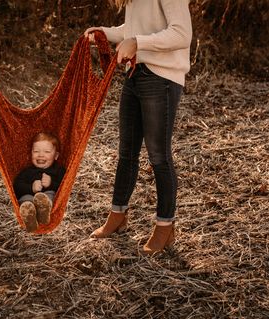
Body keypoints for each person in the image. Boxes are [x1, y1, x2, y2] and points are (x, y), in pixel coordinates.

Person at [84, 0, 192, 254]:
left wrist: (138, 43)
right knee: (127, 152)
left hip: (162, 78)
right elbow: (134, 28)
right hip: (135, 75)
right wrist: (104, 32)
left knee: (158, 156)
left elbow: (181, 33)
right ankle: (118, 215)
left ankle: (165, 227)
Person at [13, 132, 66, 232]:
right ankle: (30, 219)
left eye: (47, 152)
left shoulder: (58, 171)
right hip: (28, 196)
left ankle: (44, 212)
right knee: (26, 200)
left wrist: (51, 184)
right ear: (31, 153)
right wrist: (31, 188)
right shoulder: (27, 171)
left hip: (48, 195)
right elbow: (16, 186)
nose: (41, 155)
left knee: (49, 195)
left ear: (56, 155)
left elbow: (65, 187)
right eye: (36, 151)